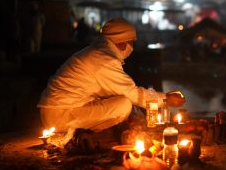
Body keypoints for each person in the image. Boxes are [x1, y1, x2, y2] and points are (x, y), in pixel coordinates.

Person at [37, 17, 185, 141]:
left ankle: (99, 133)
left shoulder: (98, 53)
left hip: (62, 110)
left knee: (123, 101)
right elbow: (133, 94)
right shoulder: (104, 61)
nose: (132, 47)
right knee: (124, 104)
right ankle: (94, 135)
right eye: (131, 42)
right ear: (121, 42)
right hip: (60, 115)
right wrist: (165, 98)